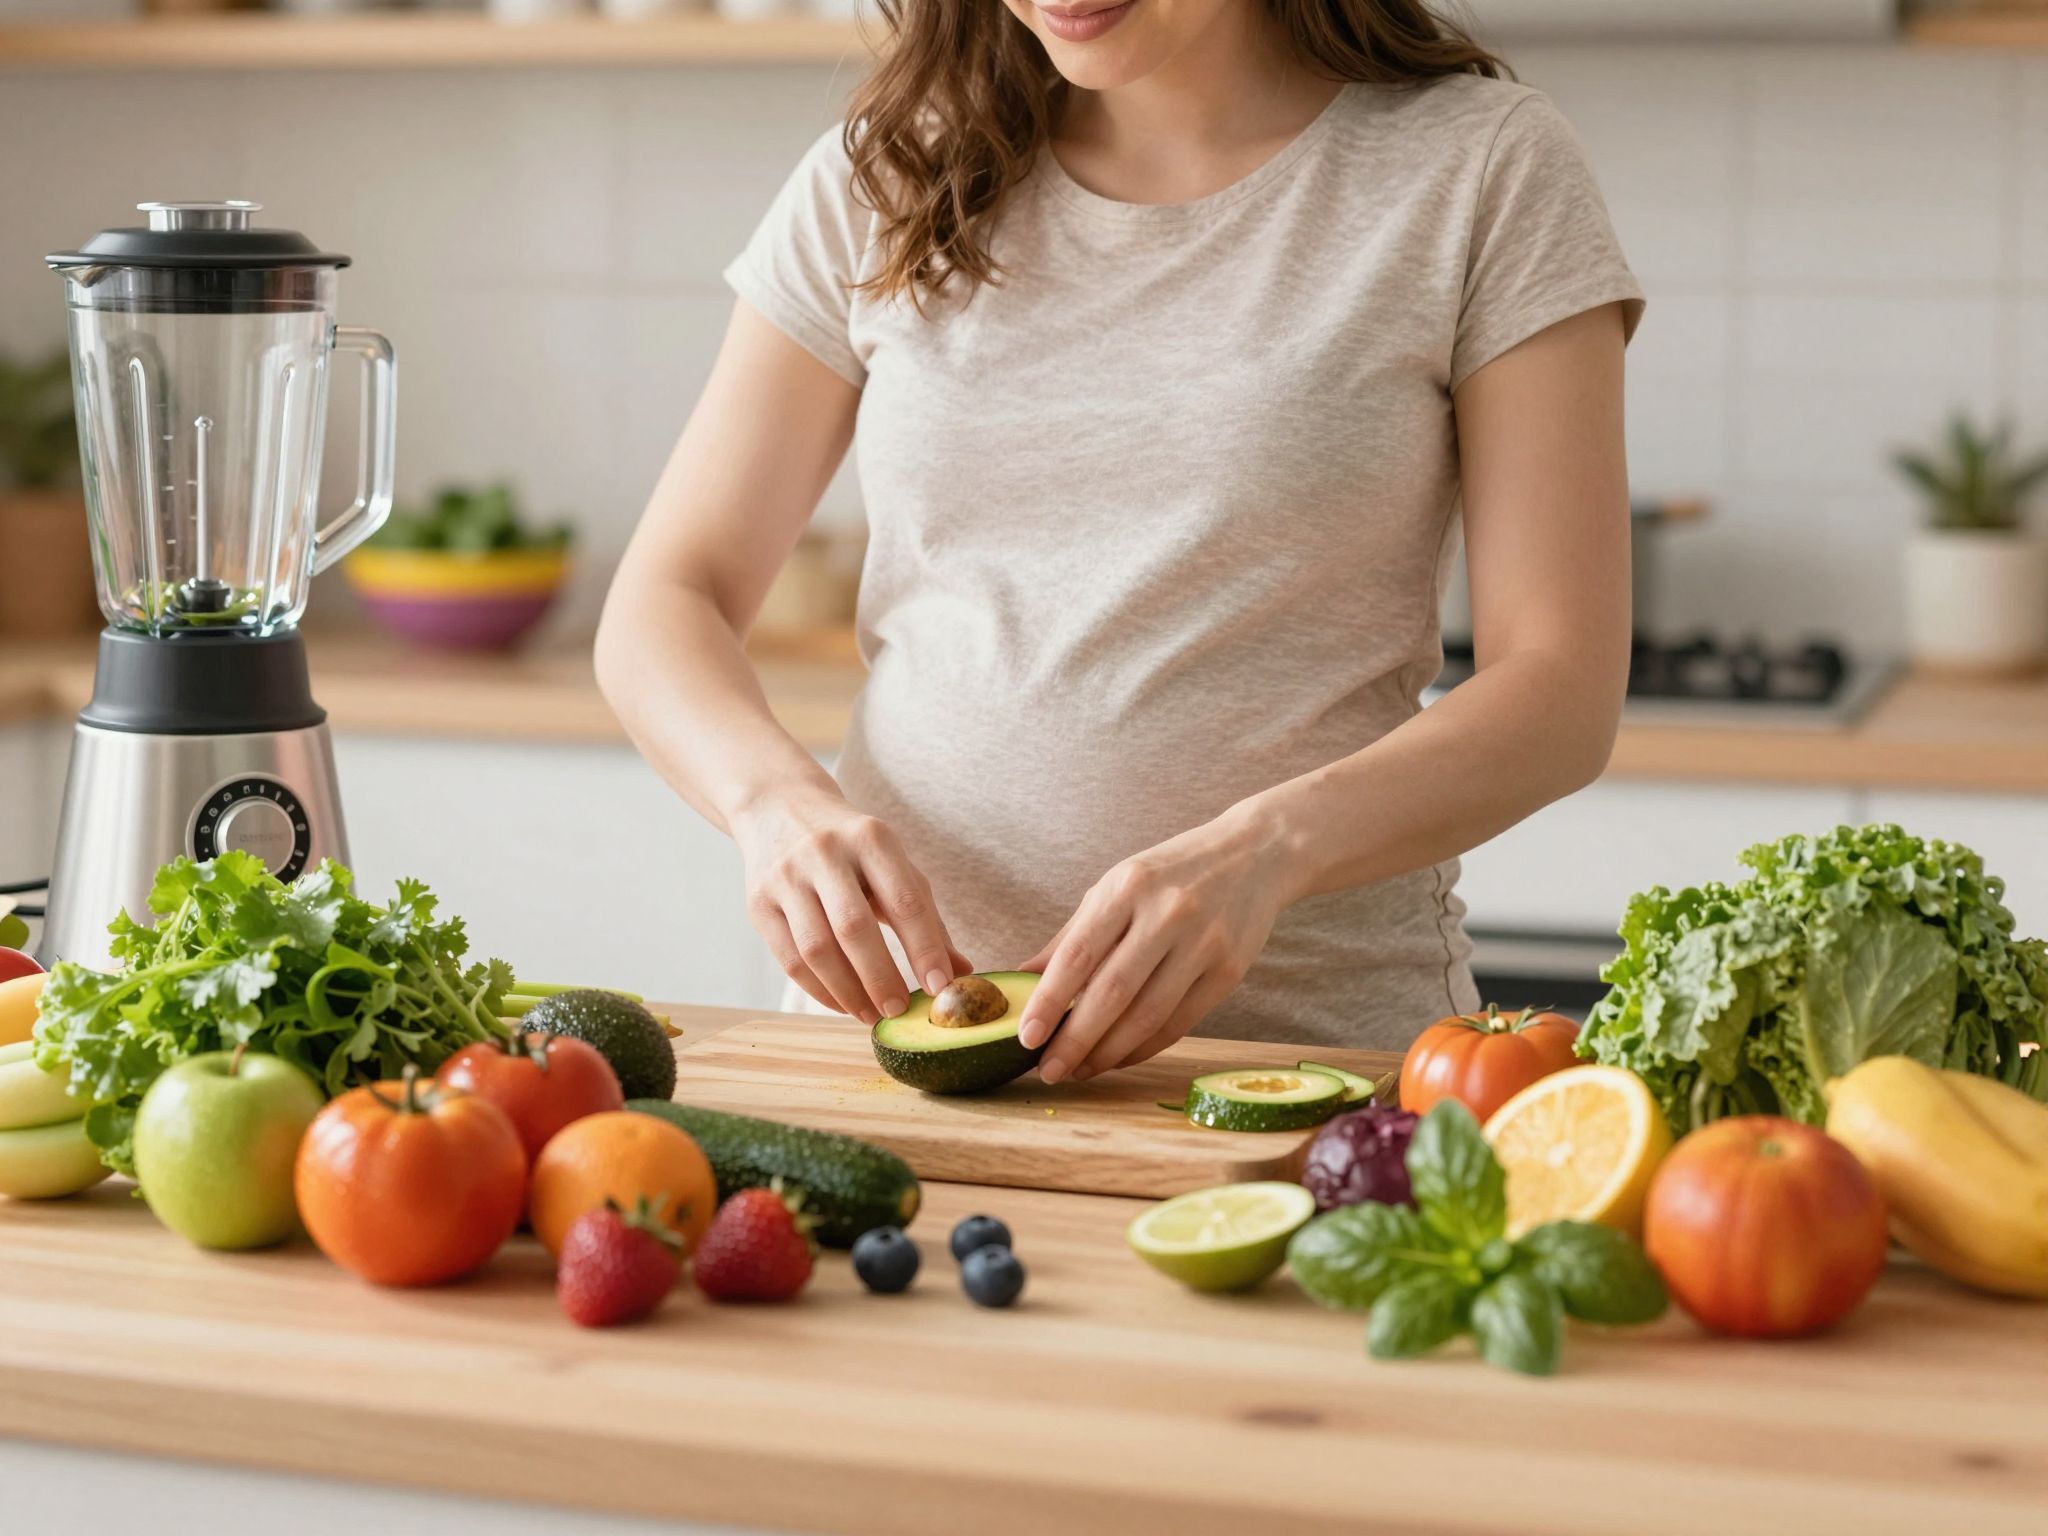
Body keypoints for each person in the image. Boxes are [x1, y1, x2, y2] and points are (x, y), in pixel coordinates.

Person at [596, 0, 1641, 1084]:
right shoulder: (887, 177)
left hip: (1301, 1076)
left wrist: (1264, 854)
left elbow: (1557, 689)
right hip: (897, 1063)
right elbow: (668, 597)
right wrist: (771, 805)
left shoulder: (1479, 169)